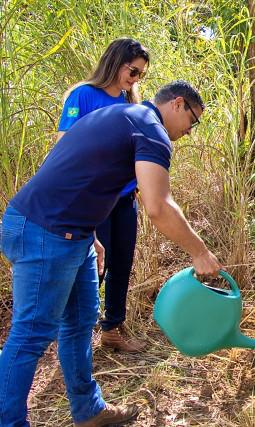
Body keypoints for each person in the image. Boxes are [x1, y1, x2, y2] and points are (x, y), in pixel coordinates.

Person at [0, 80, 222, 426]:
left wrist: (90, 234)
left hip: (72, 233)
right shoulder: (151, 131)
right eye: (194, 121)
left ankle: (88, 411)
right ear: (178, 104)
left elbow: (75, 174)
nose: (191, 131)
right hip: (44, 231)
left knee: (79, 322)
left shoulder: (121, 114)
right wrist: (199, 251)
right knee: (32, 334)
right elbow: (158, 206)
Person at [57, 37, 150, 352]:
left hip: (124, 199)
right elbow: (65, 145)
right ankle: (76, 336)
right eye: (133, 71)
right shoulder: (83, 95)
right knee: (94, 265)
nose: (135, 79)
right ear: (116, 62)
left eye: (140, 75)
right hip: (92, 199)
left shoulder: (130, 105)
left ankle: (112, 329)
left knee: (122, 263)